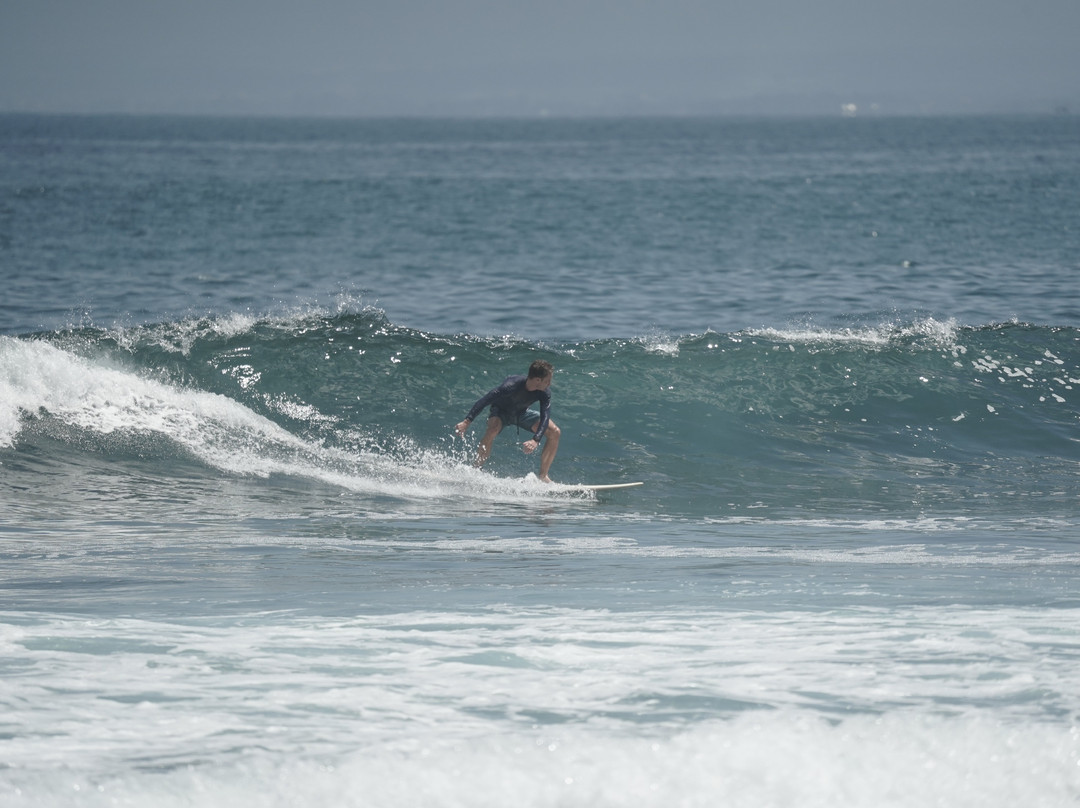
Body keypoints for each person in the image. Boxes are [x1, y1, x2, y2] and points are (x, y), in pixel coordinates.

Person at [455, 359, 561, 482]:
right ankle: (476, 469)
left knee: (555, 432)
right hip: (500, 412)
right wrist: (466, 422)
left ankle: (543, 476)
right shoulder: (510, 385)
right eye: (547, 381)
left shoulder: (544, 393)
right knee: (493, 429)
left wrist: (535, 439)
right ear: (538, 380)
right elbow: (485, 400)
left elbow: (545, 416)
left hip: (522, 413)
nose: (549, 384)